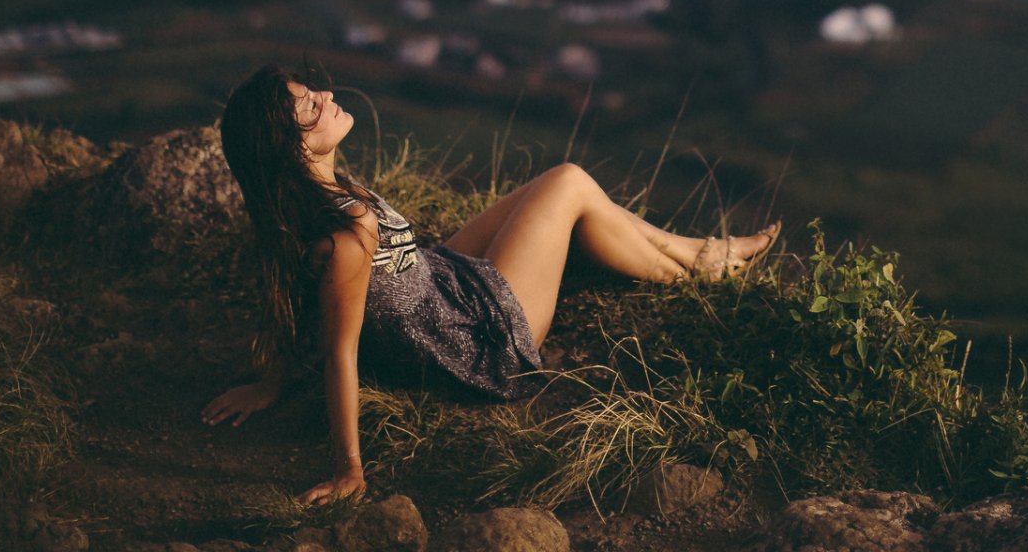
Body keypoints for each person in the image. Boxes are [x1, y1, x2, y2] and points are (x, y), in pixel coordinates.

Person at [200, 63, 778, 504]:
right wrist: (349, 468)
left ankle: (699, 257)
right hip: (478, 343)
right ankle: (698, 267)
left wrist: (268, 382)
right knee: (570, 183)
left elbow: (279, 295)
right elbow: (338, 353)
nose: (324, 95)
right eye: (307, 104)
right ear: (291, 142)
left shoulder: (310, 202)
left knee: (556, 189)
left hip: (441, 283)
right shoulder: (344, 232)